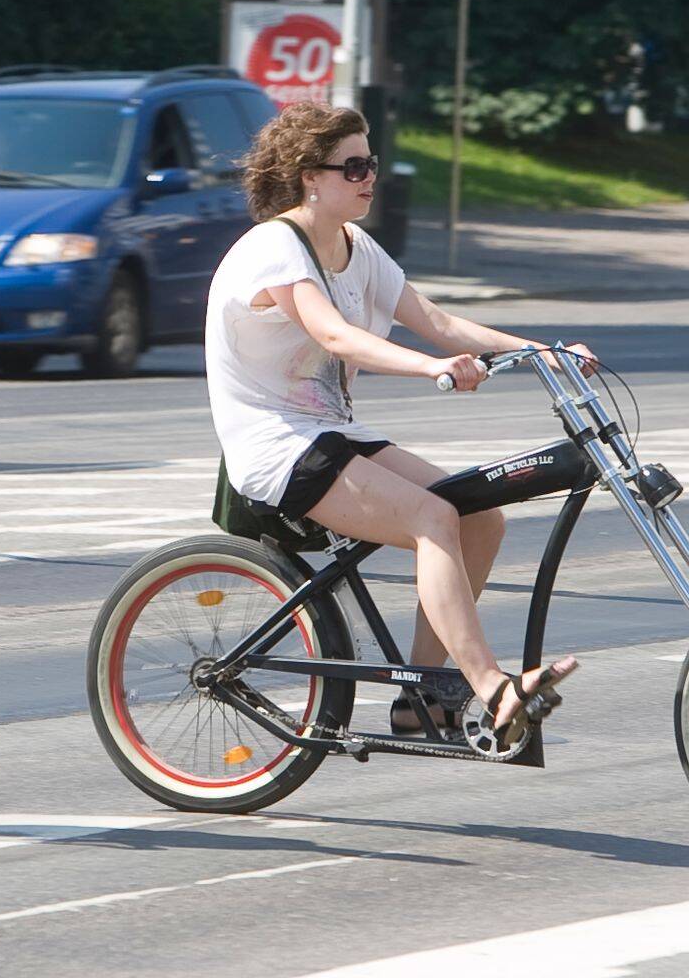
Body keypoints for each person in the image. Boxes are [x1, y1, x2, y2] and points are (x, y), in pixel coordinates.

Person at [205, 101, 590, 743]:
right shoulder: (276, 247)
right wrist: (432, 368)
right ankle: (491, 685)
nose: (368, 177)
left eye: (371, 163)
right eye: (352, 165)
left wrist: (542, 351)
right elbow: (336, 334)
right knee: (431, 517)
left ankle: (424, 696)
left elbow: (437, 321)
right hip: (276, 446)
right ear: (309, 176)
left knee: (477, 515)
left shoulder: (356, 248)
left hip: (330, 436)